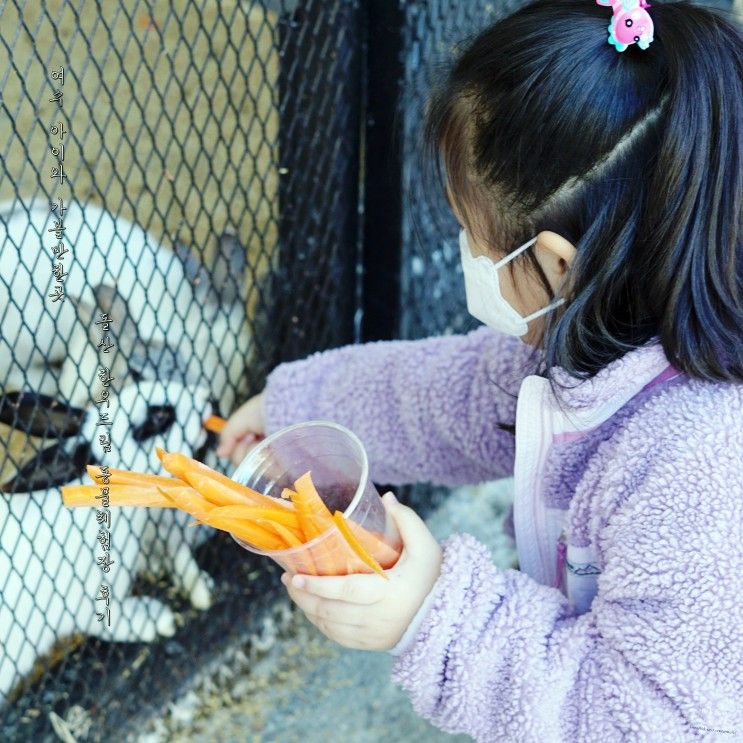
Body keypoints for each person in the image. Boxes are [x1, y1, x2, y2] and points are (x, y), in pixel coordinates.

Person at [217, 0, 743, 739]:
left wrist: (435, 613)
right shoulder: (609, 331)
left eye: (471, 235)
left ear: (560, 265)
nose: (468, 254)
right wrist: (294, 409)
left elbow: (640, 719)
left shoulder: (702, 469)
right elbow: (455, 395)